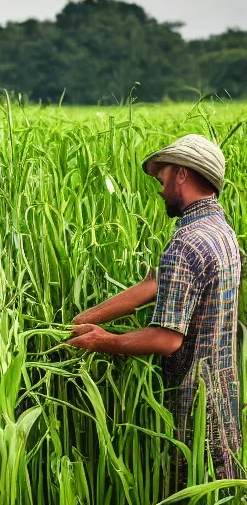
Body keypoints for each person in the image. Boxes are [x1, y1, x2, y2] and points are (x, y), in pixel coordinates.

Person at [66, 134, 243, 490]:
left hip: (195, 405)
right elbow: (157, 285)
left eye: (162, 177)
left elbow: (166, 339)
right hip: (225, 397)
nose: (160, 189)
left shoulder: (185, 243)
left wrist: (104, 341)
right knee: (224, 487)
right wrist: (86, 318)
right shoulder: (223, 233)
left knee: (193, 488)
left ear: (182, 173)